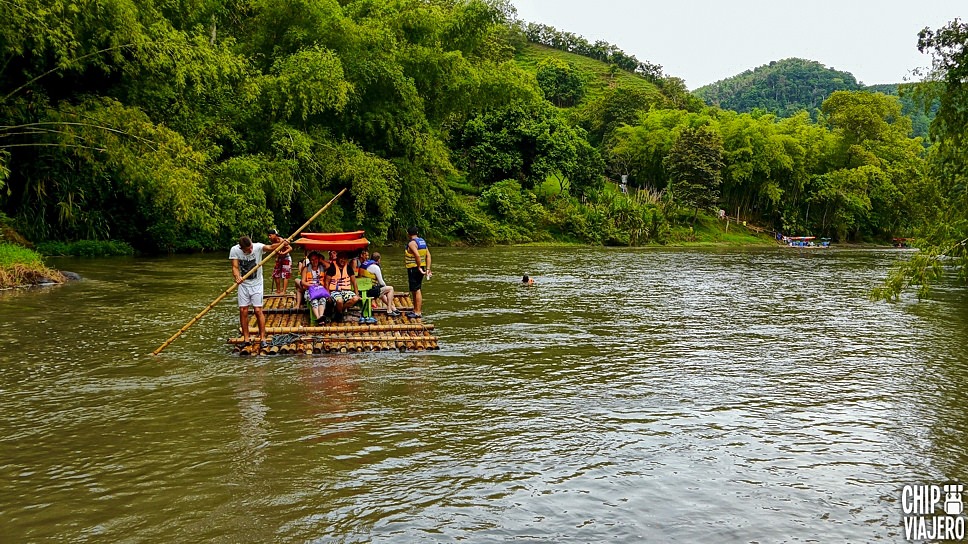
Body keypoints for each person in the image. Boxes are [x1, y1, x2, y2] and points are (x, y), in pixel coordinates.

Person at [230, 234, 289, 348]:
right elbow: (235, 267)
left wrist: (283, 243)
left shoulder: (257, 247)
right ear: (241, 248)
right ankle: (246, 339)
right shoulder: (235, 250)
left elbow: (271, 247)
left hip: (257, 284)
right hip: (243, 284)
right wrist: (237, 277)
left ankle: (263, 338)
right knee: (243, 311)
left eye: (251, 247)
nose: (251, 250)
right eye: (248, 250)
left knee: (257, 310)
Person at [359, 251, 401, 317]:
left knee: (382, 292)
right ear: (379, 259)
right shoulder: (376, 267)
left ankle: (393, 308)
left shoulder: (364, 264)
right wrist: (385, 287)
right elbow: (381, 282)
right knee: (390, 289)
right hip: (369, 291)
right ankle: (389, 310)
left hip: (362, 290)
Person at [404, 226, 431, 319]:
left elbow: (417, 255)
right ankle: (415, 310)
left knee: (416, 289)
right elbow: (428, 255)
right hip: (421, 267)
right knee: (414, 289)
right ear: (417, 233)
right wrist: (427, 268)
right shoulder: (422, 242)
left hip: (414, 268)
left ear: (408, 234)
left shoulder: (412, 243)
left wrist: (419, 267)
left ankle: (418, 312)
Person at [325, 252, 359, 319]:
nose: (343, 260)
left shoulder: (349, 268)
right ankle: (339, 314)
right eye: (341, 258)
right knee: (339, 301)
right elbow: (327, 283)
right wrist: (327, 294)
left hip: (346, 291)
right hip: (335, 291)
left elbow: (354, 281)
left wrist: (357, 293)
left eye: (344, 259)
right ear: (337, 258)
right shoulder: (332, 268)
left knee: (355, 298)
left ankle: (339, 310)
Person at [301, 251, 329, 323]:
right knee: (314, 300)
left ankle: (321, 316)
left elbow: (329, 266)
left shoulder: (321, 267)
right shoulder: (306, 269)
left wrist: (321, 260)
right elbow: (303, 282)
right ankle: (318, 318)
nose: (314, 261)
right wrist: (311, 285)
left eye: (316, 259)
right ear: (310, 261)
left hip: (320, 289)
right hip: (310, 290)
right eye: (312, 260)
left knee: (322, 299)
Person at [268, 229, 292, 295]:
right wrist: (278, 256)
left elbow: (290, 248)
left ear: (274, 235)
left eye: (270, 235)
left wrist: (283, 253)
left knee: (285, 275)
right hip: (279, 258)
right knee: (276, 274)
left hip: (286, 258)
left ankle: (283, 291)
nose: (269, 237)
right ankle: (278, 290)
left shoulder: (281, 240)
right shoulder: (272, 241)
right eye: (268, 236)